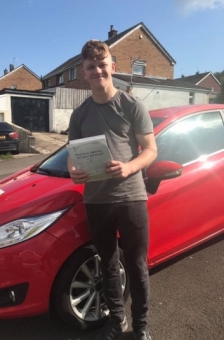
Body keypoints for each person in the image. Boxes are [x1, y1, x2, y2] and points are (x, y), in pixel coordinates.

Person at [67, 40, 157, 340]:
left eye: (102, 64)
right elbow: (72, 156)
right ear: (84, 72)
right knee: (107, 264)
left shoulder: (132, 105)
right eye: (91, 67)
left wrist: (130, 167)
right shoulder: (79, 115)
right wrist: (73, 172)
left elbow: (150, 150)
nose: (97, 70)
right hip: (96, 200)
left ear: (112, 66)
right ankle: (117, 323)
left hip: (131, 197)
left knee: (136, 265)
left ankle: (141, 327)